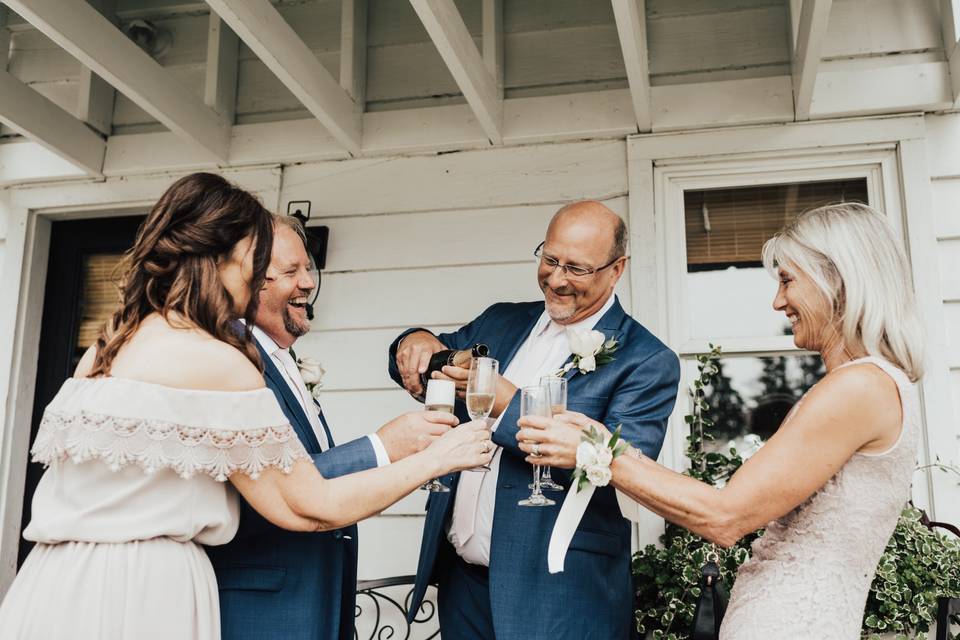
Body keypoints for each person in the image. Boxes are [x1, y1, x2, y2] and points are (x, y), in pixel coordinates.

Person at [0, 172, 494, 639]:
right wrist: (437, 458)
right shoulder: (219, 361)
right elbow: (308, 507)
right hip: (146, 588)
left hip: (54, 583)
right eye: (257, 260)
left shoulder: (108, 343)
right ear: (222, 260)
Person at [516, 202, 925, 640]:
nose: (778, 301)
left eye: (788, 280)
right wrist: (603, 441)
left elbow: (725, 516)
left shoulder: (859, 388)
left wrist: (595, 454)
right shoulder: (865, 385)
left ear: (838, 282)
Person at [389, 200, 680, 639]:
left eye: (576, 269)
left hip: (560, 594)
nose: (557, 278)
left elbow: (619, 471)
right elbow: (427, 362)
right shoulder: (501, 320)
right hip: (462, 585)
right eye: (549, 259)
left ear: (616, 269)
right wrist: (415, 339)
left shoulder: (647, 361)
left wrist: (507, 401)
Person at [208, 215, 447, 640]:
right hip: (263, 608)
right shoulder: (231, 358)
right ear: (250, 280)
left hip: (320, 600)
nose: (308, 283)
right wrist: (384, 446)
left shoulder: (281, 357)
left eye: (308, 268)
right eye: (291, 271)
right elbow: (281, 483)